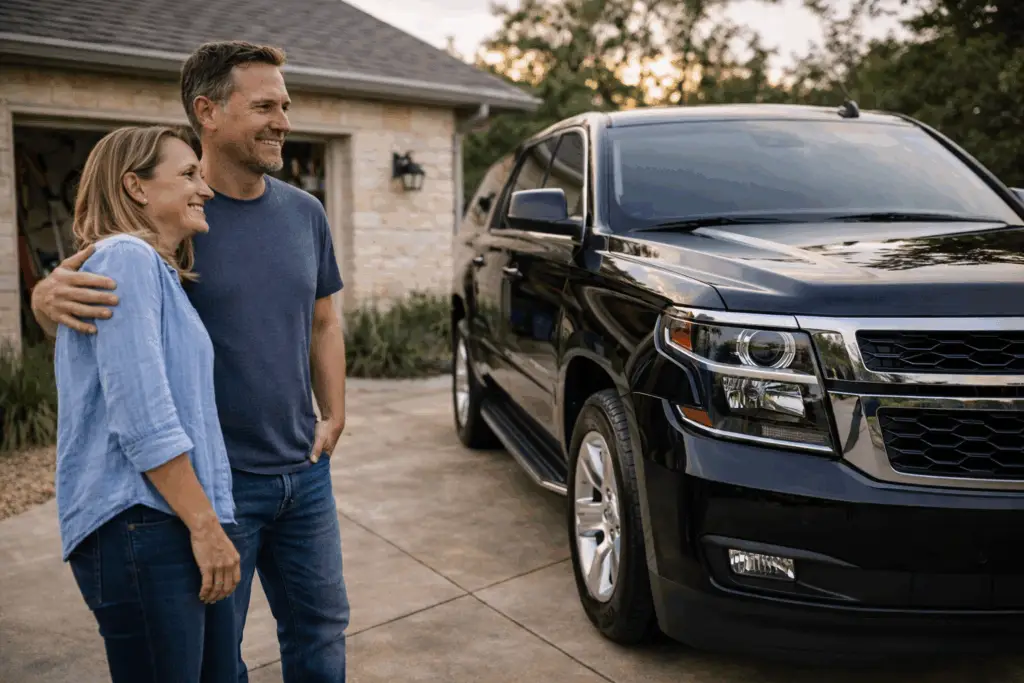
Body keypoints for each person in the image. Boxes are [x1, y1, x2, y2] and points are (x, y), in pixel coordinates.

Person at [32, 41, 350, 682]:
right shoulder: (167, 221)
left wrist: (334, 414)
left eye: (285, 105)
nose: (283, 121)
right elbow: (97, 315)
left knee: (320, 630)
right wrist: (44, 299)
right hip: (213, 482)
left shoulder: (302, 212)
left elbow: (324, 320)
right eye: (264, 106)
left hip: (303, 471)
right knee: (216, 659)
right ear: (207, 111)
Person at [52, 125, 241, 683]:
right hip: (142, 524)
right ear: (135, 186)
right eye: (188, 175)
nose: (205, 188)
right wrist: (206, 527)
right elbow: (143, 418)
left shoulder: (154, 271)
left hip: (164, 521)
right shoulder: (125, 258)